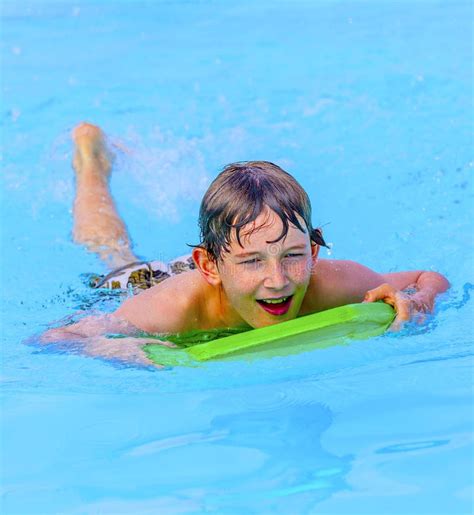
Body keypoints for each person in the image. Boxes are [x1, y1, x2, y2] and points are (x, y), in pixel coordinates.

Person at [41, 123, 449, 366]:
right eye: (256, 261)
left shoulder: (333, 284)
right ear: (207, 264)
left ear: (312, 253)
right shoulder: (168, 309)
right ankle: (92, 163)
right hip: (152, 282)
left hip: (228, 263)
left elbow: (427, 277)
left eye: (291, 256)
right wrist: (119, 349)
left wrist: (419, 302)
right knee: (115, 252)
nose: (277, 281)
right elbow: (57, 339)